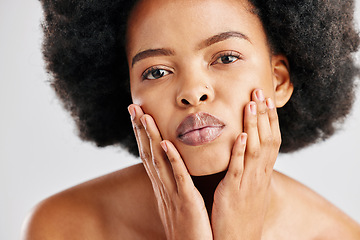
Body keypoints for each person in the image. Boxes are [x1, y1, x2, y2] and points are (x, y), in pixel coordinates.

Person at [22, 0, 360, 239]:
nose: (192, 92)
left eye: (225, 57)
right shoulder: (65, 228)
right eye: (156, 71)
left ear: (280, 80)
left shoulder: (335, 235)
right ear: (128, 94)